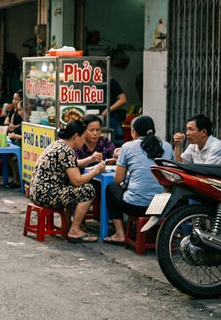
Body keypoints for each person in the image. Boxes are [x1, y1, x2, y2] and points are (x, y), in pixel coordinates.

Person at [29, 120, 106, 243]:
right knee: (88, 190)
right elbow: (77, 181)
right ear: (76, 136)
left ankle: (69, 224)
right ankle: (74, 230)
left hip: (37, 192)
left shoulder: (59, 145)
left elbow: (72, 164)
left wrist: (91, 159)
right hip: (46, 195)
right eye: (83, 137)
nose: (84, 141)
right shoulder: (66, 151)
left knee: (70, 187)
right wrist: (96, 171)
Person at [103, 115, 174, 245]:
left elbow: (118, 179)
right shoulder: (167, 146)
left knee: (111, 188)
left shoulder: (127, 147)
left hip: (136, 206)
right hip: (162, 206)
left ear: (133, 131)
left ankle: (119, 234)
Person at [103, 78, 127, 145]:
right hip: (92, 117)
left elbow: (123, 99)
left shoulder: (111, 81)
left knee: (113, 143)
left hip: (109, 118)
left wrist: (107, 111)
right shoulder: (87, 80)